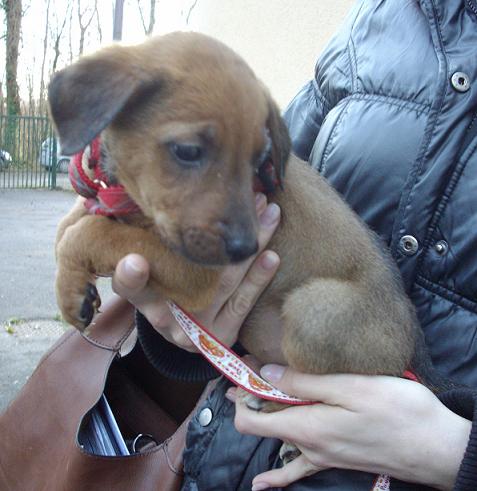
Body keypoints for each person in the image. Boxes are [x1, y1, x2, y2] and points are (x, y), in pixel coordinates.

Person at [112, 1, 477, 489]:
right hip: (231, 456)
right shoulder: (377, 25)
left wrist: (454, 453)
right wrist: (184, 328)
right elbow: (262, 196)